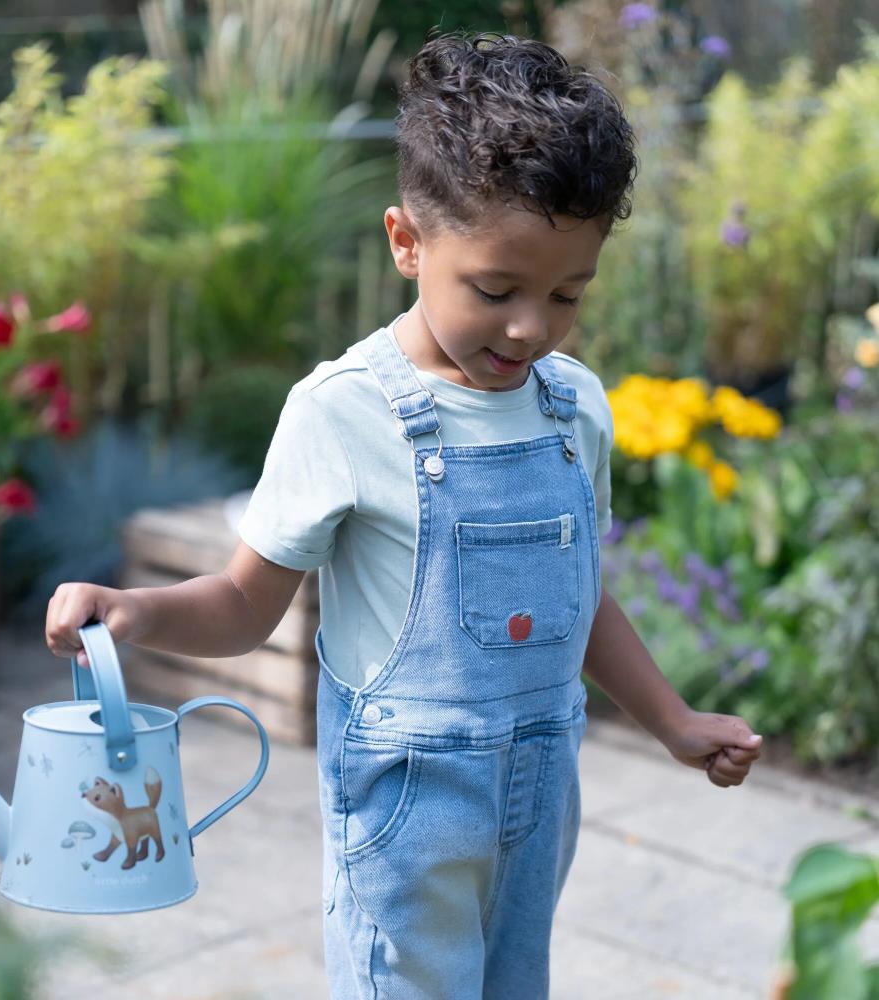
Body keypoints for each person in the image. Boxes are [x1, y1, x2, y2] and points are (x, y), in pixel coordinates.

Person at [46, 31, 764, 999]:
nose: (531, 328)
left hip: (541, 801)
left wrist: (671, 719)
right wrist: (133, 613)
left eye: (567, 294)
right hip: (406, 821)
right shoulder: (342, 410)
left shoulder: (573, 405)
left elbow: (576, 596)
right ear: (406, 242)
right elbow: (242, 605)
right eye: (496, 290)